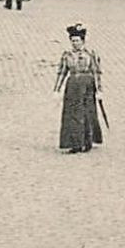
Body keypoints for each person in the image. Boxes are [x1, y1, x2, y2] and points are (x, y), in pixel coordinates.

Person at [53, 23, 104, 153]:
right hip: (73, 85)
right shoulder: (67, 55)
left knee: (87, 113)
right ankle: (74, 143)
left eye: (77, 40)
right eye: (73, 40)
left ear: (83, 41)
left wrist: (99, 89)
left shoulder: (91, 54)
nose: (75, 43)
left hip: (87, 84)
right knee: (72, 114)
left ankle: (87, 142)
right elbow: (62, 71)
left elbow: (96, 71)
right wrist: (56, 89)